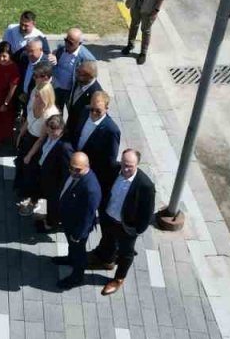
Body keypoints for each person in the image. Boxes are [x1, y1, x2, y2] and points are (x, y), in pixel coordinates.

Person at [91, 149, 156, 296]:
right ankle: (106, 259)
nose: (126, 169)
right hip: (108, 217)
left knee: (126, 253)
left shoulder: (145, 186)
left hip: (126, 226)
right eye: (124, 164)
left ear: (137, 165)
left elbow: (146, 213)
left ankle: (119, 279)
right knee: (107, 239)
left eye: (130, 166)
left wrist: (136, 230)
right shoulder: (114, 169)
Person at [51, 152, 102, 289]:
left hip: (78, 228)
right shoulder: (75, 175)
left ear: (87, 166)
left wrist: (78, 235)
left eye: (77, 169)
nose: (73, 171)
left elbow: (88, 216)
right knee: (72, 247)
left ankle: (77, 276)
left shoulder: (91, 189)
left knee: (79, 251)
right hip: (69, 221)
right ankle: (70, 259)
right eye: (71, 168)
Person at [18, 115, 71, 226]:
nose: (50, 135)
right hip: (42, 170)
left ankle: (51, 223)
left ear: (61, 129)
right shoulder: (50, 135)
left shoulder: (65, 147)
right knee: (36, 189)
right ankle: (33, 203)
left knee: (52, 203)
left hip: (53, 181)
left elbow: (66, 171)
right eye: (49, 132)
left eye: (53, 133)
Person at [64, 90, 120, 190]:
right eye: (92, 109)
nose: (93, 113)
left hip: (89, 172)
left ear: (106, 108)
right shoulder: (85, 111)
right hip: (74, 163)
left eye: (98, 111)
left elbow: (110, 161)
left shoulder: (111, 130)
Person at [51, 28, 96, 111]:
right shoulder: (61, 48)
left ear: (80, 43)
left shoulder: (87, 59)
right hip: (57, 88)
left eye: (70, 43)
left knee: (72, 114)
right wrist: (53, 57)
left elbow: (90, 79)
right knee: (55, 113)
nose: (66, 44)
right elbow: (53, 61)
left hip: (71, 92)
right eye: (66, 40)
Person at [14, 39, 50, 111]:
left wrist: (29, 97)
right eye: (27, 51)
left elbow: (44, 88)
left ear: (41, 50)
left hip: (38, 104)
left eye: (31, 51)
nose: (28, 54)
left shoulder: (47, 65)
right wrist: (21, 93)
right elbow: (20, 77)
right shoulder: (24, 58)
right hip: (24, 100)